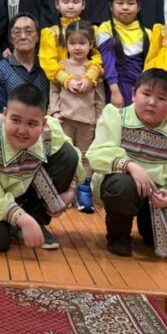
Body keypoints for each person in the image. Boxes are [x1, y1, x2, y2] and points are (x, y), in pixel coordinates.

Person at [0, 84, 83, 252]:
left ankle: (36, 220)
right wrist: (22, 219)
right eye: (15, 120)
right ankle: (12, 222)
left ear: (43, 123)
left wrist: (72, 190)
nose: (22, 130)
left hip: (23, 185)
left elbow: (74, 157)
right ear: (5, 114)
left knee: (67, 154)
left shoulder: (49, 129)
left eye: (32, 124)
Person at [89, 68, 167, 257]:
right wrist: (130, 166)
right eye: (146, 94)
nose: (152, 102)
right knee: (122, 186)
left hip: (156, 199)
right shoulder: (116, 118)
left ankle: (149, 229)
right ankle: (118, 236)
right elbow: (97, 154)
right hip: (123, 188)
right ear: (134, 94)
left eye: (161, 98)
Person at [48, 20, 103, 214]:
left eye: (82, 43)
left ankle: (84, 191)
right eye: (72, 43)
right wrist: (54, 111)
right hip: (65, 119)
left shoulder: (94, 70)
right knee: (66, 155)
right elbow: (53, 91)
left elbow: (100, 98)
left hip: (87, 121)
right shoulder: (60, 67)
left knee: (86, 156)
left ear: (91, 45)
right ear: (66, 45)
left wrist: (100, 120)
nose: (77, 47)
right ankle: (65, 189)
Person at [39, 0, 104, 95]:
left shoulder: (93, 30)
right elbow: (48, 62)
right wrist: (66, 80)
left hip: (88, 84)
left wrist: (90, 76)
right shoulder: (51, 33)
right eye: (65, 2)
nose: (70, 6)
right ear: (57, 4)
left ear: (83, 4)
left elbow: (99, 56)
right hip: (60, 88)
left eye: (75, 2)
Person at [96, 0, 152, 109]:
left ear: (139, 7)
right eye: (120, 3)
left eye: (131, 3)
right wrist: (115, 92)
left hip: (141, 90)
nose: (125, 7)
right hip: (114, 88)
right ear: (111, 6)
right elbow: (108, 64)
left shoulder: (148, 34)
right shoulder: (105, 29)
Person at [0, 13, 50, 115]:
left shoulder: (47, 68)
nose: (23, 37)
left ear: (38, 36)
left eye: (28, 32)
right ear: (10, 38)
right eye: (17, 32)